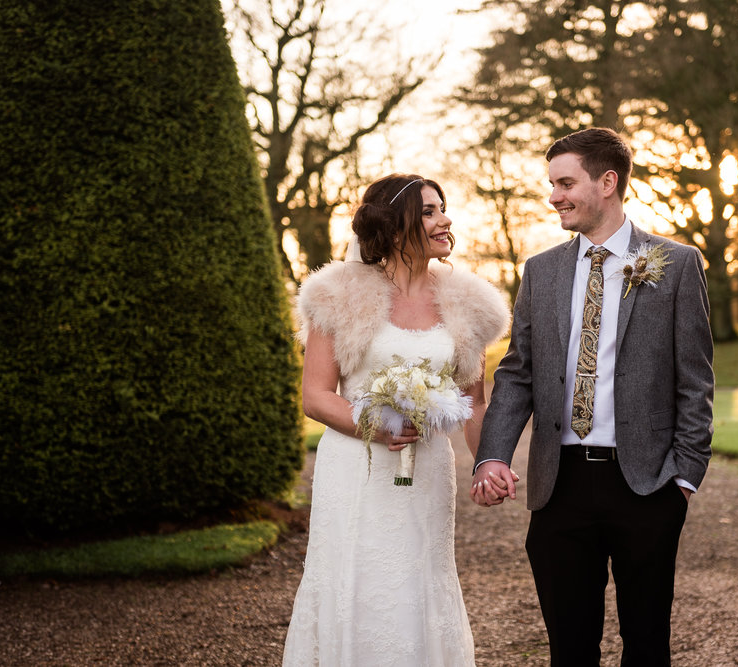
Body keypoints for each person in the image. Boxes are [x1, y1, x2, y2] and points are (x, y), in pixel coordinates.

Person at [471, 128, 714, 666]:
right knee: (569, 648)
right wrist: (492, 456)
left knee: (647, 644)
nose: (554, 196)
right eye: (551, 184)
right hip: (560, 487)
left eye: (565, 182)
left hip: (647, 485)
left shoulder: (675, 263)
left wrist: (684, 477)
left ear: (608, 182)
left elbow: (695, 380)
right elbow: (517, 374)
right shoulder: (541, 271)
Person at [283, 174, 509, 666]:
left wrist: (487, 462)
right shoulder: (336, 294)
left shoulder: (469, 304)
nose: (445, 219)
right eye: (429, 211)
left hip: (427, 469)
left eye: (442, 208)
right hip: (355, 469)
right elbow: (316, 396)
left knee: (421, 578)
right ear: (393, 224)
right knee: (353, 576)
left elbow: (474, 402)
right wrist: (373, 422)